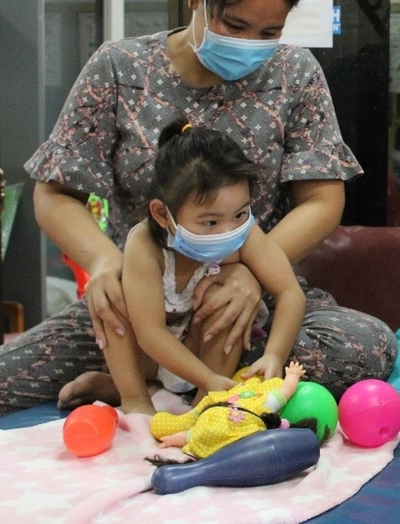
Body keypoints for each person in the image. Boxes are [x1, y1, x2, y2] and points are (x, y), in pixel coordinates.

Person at [0, 0, 396, 429]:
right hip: (132, 307)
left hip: (240, 307)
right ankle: (141, 374)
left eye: (268, 32)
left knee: (367, 346)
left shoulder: (295, 74)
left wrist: (253, 275)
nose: (250, 46)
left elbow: (324, 200)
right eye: (235, 24)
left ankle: (158, 385)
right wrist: (104, 264)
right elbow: (54, 194)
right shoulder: (120, 69)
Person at [107, 120, 307, 416]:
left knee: (230, 301)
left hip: (205, 346)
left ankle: (204, 405)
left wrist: (274, 356)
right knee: (111, 300)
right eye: (210, 222)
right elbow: (150, 334)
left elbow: (291, 293)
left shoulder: (246, 233)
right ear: (163, 214)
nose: (228, 230)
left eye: (239, 213)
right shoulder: (146, 245)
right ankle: (134, 396)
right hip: (150, 352)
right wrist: (206, 378)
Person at [149, 360, 324, 460]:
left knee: (190, 424)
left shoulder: (261, 406)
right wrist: (293, 376)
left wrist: (172, 440)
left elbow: (191, 435)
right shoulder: (263, 405)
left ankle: (173, 429)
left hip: (210, 412)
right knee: (190, 426)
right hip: (213, 416)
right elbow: (286, 391)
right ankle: (174, 429)